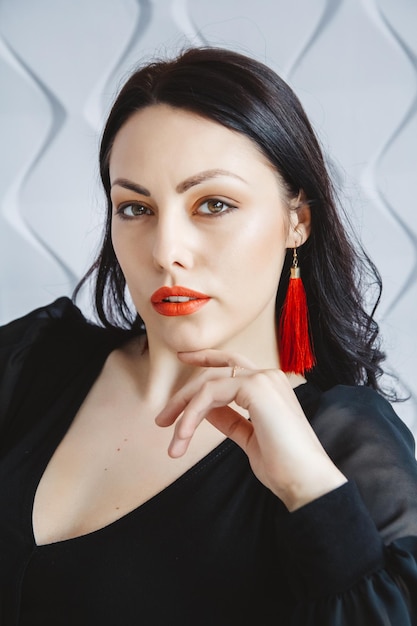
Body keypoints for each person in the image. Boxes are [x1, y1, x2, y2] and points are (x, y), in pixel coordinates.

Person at [0, 46, 416, 626]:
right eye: (135, 208)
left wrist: (308, 489)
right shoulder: (26, 362)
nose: (167, 251)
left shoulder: (343, 448)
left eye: (213, 204)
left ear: (297, 219)